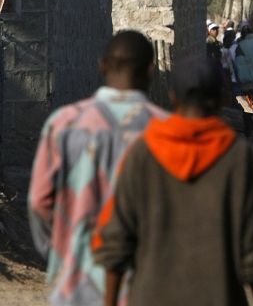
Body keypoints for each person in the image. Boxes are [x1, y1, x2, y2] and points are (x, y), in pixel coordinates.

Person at [93, 57, 253, 306]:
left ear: (172, 96)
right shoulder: (238, 158)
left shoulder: (142, 154)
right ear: (222, 99)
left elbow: (114, 242)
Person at [28, 30, 167, 306]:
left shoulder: (64, 124)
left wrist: (62, 255)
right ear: (151, 71)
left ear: (102, 65)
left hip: (78, 287)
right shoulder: (169, 132)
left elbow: (39, 202)